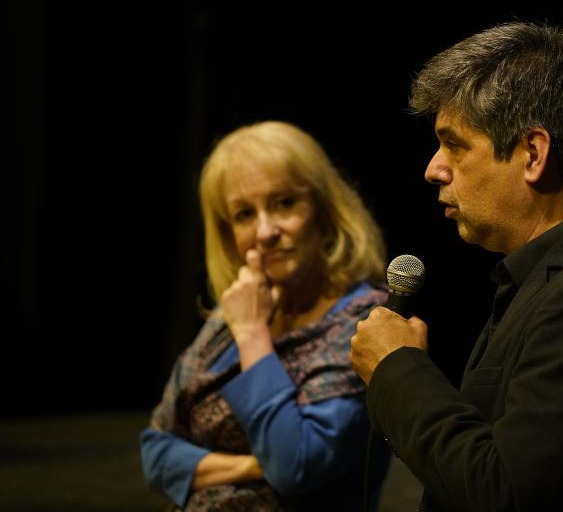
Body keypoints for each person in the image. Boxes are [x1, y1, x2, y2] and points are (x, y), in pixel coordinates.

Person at [350, 22, 563, 511]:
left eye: (454, 144)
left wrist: (398, 370)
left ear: (532, 154)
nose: (433, 169)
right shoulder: (549, 278)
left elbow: (505, 493)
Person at [140, 121, 390, 511]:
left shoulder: (365, 321)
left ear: (324, 210)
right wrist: (255, 467)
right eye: (243, 214)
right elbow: (155, 453)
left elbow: (293, 465)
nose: (265, 231)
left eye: (284, 203)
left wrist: (254, 334)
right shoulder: (234, 315)